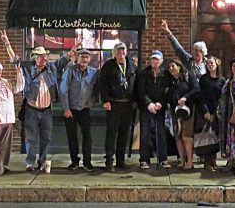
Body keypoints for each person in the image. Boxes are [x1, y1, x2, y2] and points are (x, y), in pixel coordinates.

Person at [0, 29, 78, 171]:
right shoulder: (28, 67)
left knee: (46, 138)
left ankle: (41, 162)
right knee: (30, 138)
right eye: (42, 57)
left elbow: (65, 58)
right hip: (31, 109)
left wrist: (74, 48)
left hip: (47, 110)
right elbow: (14, 59)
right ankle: (30, 163)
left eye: (45, 56)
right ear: (35, 58)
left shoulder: (52, 68)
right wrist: (7, 43)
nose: (45, 59)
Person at [59, 49, 99, 172]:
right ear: (77, 57)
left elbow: (96, 90)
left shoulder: (94, 72)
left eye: (87, 57)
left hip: (84, 109)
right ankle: (74, 162)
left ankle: (87, 162)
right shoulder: (70, 70)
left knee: (87, 137)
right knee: (72, 137)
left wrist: (92, 103)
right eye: (82, 57)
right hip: (71, 109)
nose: (84, 59)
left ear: (90, 59)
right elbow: (63, 90)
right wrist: (66, 108)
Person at [100, 42, 138, 172]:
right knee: (111, 133)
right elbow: (103, 84)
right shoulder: (108, 66)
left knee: (124, 133)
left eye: (123, 51)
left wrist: (135, 101)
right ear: (114, 53)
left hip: (128, 104)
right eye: (118, 51)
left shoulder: (132, 65)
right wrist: (105, 100)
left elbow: (136, 84)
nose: (121, 53)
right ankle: (109, 161)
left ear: (126, 52)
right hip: (113, 104)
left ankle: (120, 160)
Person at [137, 50, 172, 169]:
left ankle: (163, 159)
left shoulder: (166, 74)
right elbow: (140, 91)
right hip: (146, 107)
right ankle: (144, 159)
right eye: (153, 59)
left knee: (161, 132)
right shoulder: (144, 73)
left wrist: (160, 103)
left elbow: (168, 91)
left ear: (161, 61)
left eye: (157, 59)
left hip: (160, 107)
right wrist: (148, 103)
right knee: (145, 133)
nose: (154, 61)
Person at [167, 58, 200, 170]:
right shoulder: (170, 80)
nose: (171, 69)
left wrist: (186, 97)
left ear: (179, 66)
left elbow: (196, 89)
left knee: (186, 136)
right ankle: (181, 160)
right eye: (169, 67)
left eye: (173, 66)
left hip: (188, 110)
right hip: (175, 111)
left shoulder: (188, 76)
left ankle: (189, 162)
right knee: (178, 136)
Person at [197, 56, 226, 171]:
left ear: (216, 64)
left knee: (216, 137)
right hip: (206, 112)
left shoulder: (222, 80)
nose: (210, 65)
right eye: (208, 63)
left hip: (218, 112)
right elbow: (201, 96)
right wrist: (206, 112)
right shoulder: (203, 79)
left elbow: (222, 98)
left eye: (212, 63)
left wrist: (215, 112)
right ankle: (207, 161)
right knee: (207, 137)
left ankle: (214, 160)